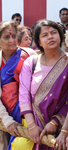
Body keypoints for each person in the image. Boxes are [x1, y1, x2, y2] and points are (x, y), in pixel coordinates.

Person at [0, 21, 36, 150]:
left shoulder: (29, 55)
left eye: (14, 36)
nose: (11, 40)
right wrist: (7, 121)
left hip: (30, 115)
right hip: (6, 117)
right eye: (6, 37)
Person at [19, 20, 68, 150]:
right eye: (45, 35)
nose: (50, 36)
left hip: (63, 130)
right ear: (39, 42)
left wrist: (57, 123)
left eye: (54, 33)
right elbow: (24, 96)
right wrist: (32, 126)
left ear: (60, 36)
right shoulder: (31, 62)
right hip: (36, 128)